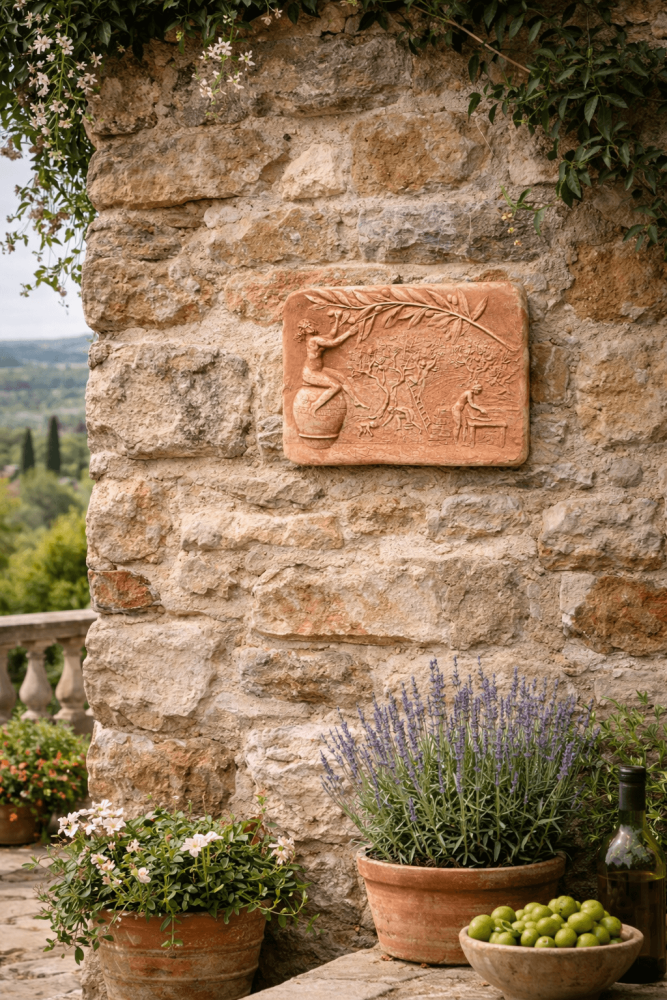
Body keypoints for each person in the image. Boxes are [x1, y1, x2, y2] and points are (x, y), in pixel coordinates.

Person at [295, 312, 368, 413]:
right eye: (308, 325)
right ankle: (314, 406)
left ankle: (356, 401)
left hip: (319, 369)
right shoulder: (314, 340)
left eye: (311, 324)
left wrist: (337, 319)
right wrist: (349, 333)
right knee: (335, 386)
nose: (312, 326)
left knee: (341, 377)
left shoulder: (315, 339)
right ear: (304, 330)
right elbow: (334, 342)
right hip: (310, 373)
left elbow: (331, 335)